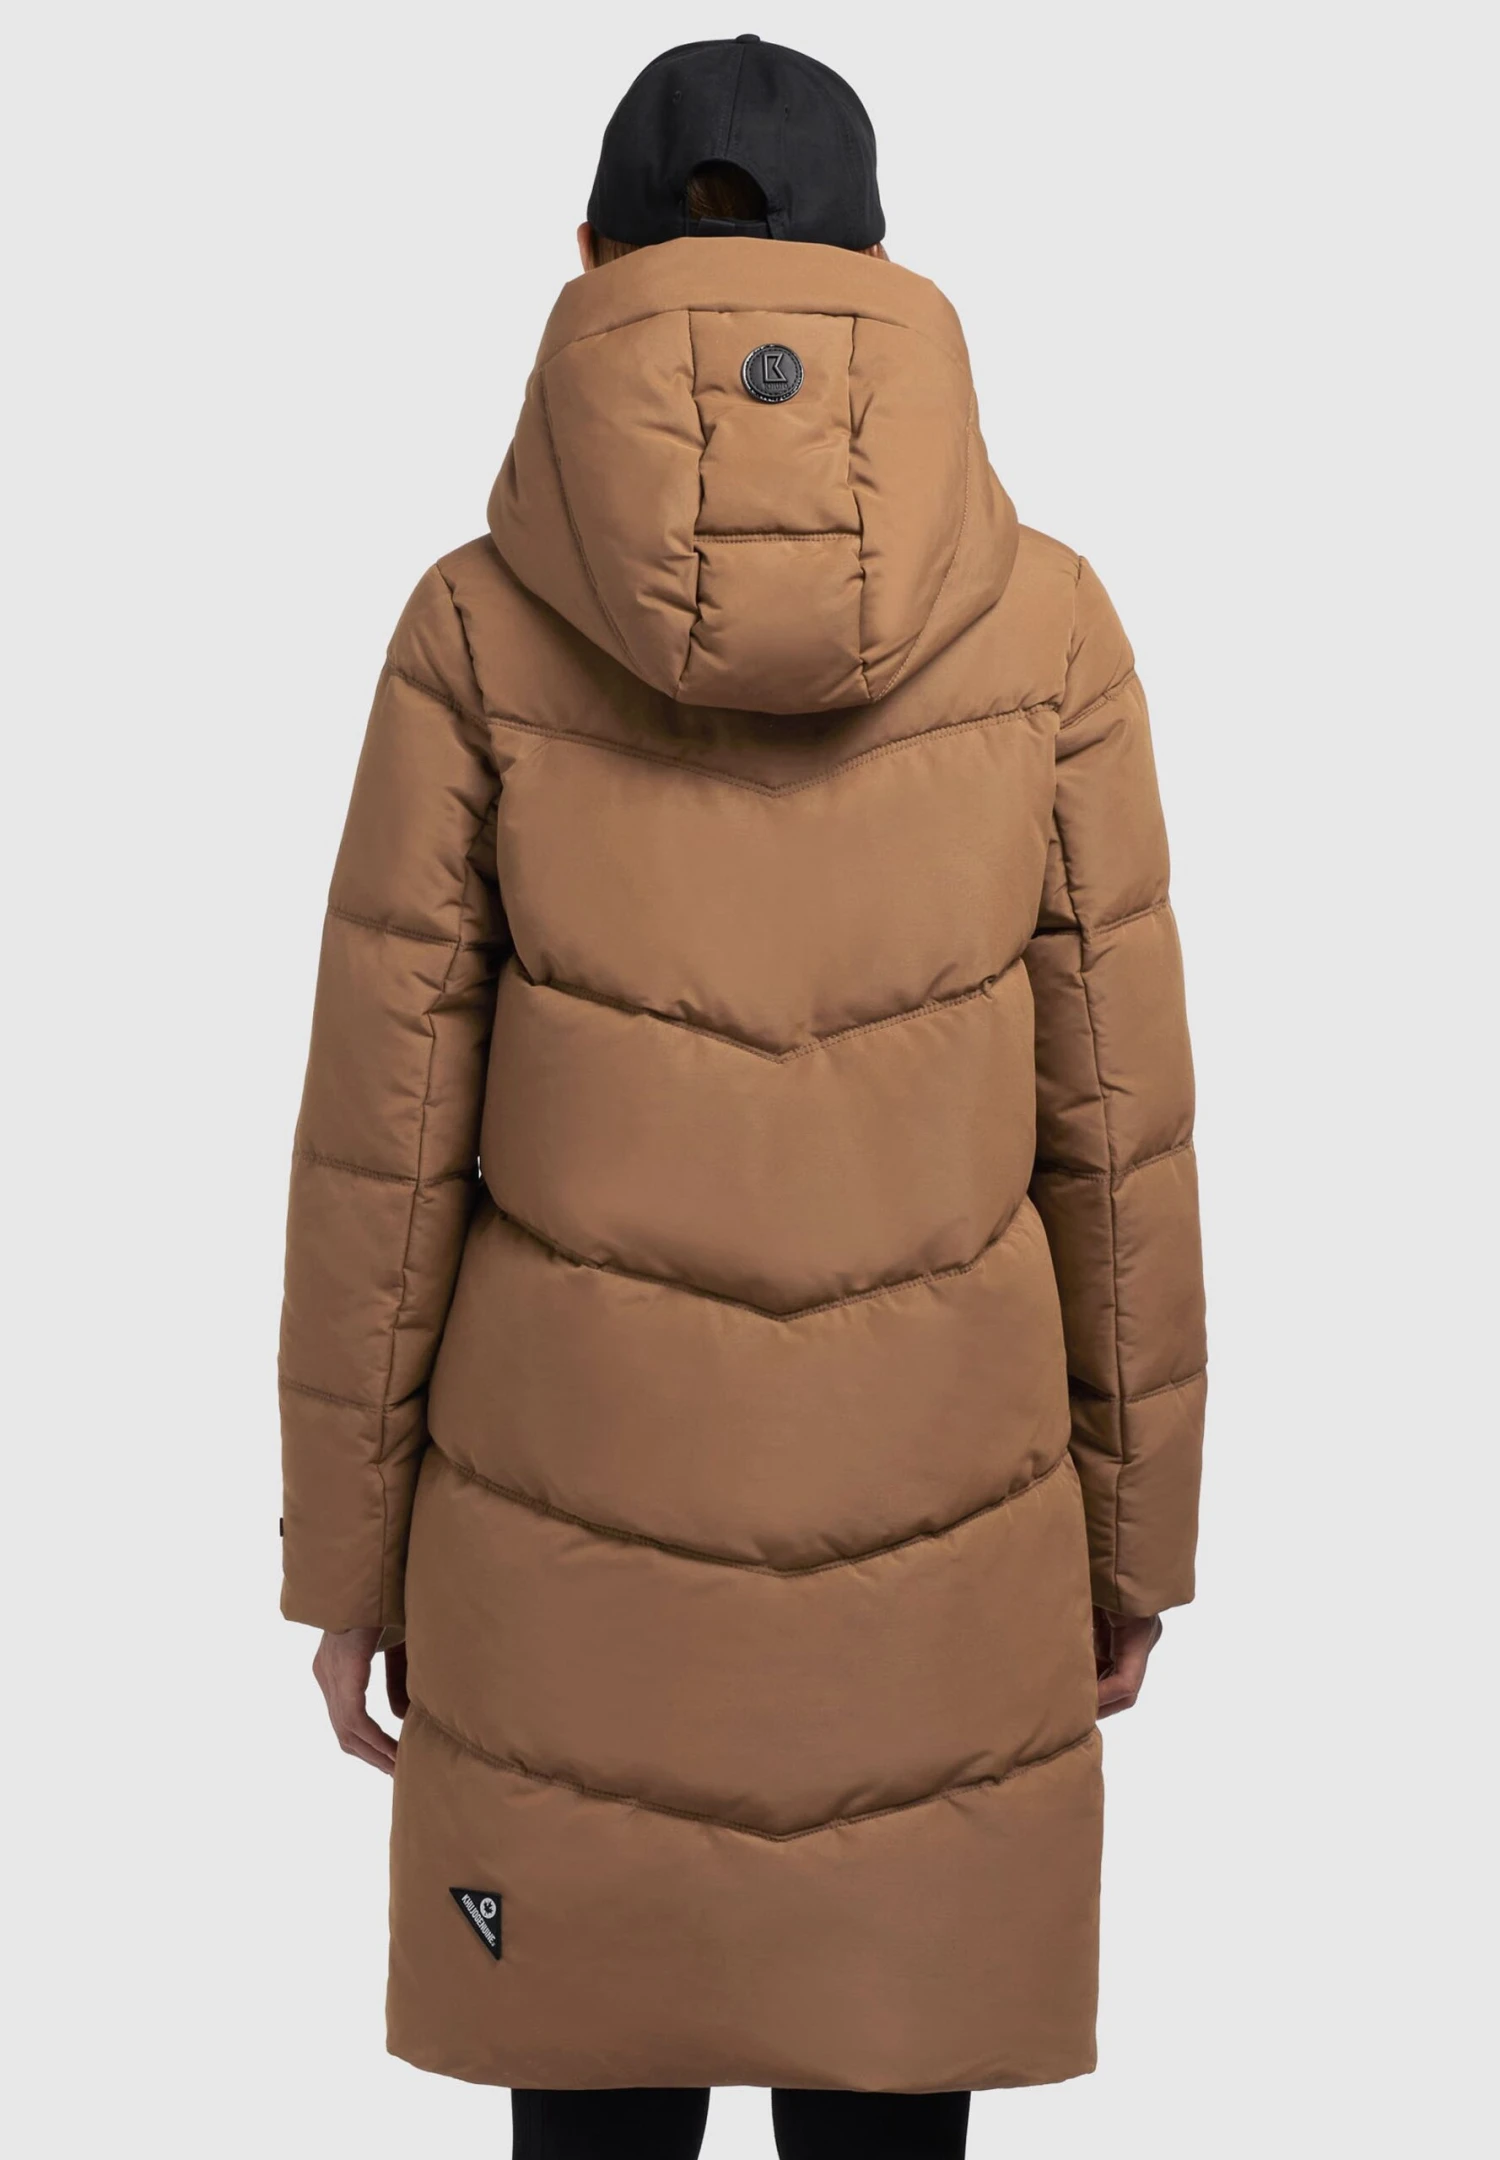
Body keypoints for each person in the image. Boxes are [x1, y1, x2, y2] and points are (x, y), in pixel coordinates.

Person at [279, 33, 1206, 2160]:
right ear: (882, 269)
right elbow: (1119, 1131)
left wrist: (346, 1563)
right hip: (943, 1572)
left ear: (586, 258)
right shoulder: (1053, 628)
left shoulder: (474, 629)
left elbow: (383, 1147)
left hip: (560, 1579)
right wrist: (1134, 1540)